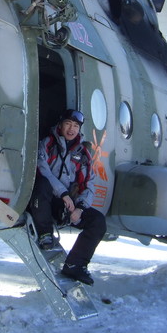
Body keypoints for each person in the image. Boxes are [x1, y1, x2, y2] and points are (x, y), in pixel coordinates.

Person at [28, 109, 106, 286]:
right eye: (68, 124)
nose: (71, 129)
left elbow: (89, 183)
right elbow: (42, 170)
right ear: (60, 125)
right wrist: (63, 193)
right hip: (45, 202)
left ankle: (75, 264)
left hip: (68, 207)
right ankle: (45, 233)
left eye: (76, 126)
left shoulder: (82, 153)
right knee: (42, 185)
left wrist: (80, 207)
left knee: (97, 221)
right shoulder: (47, 143)